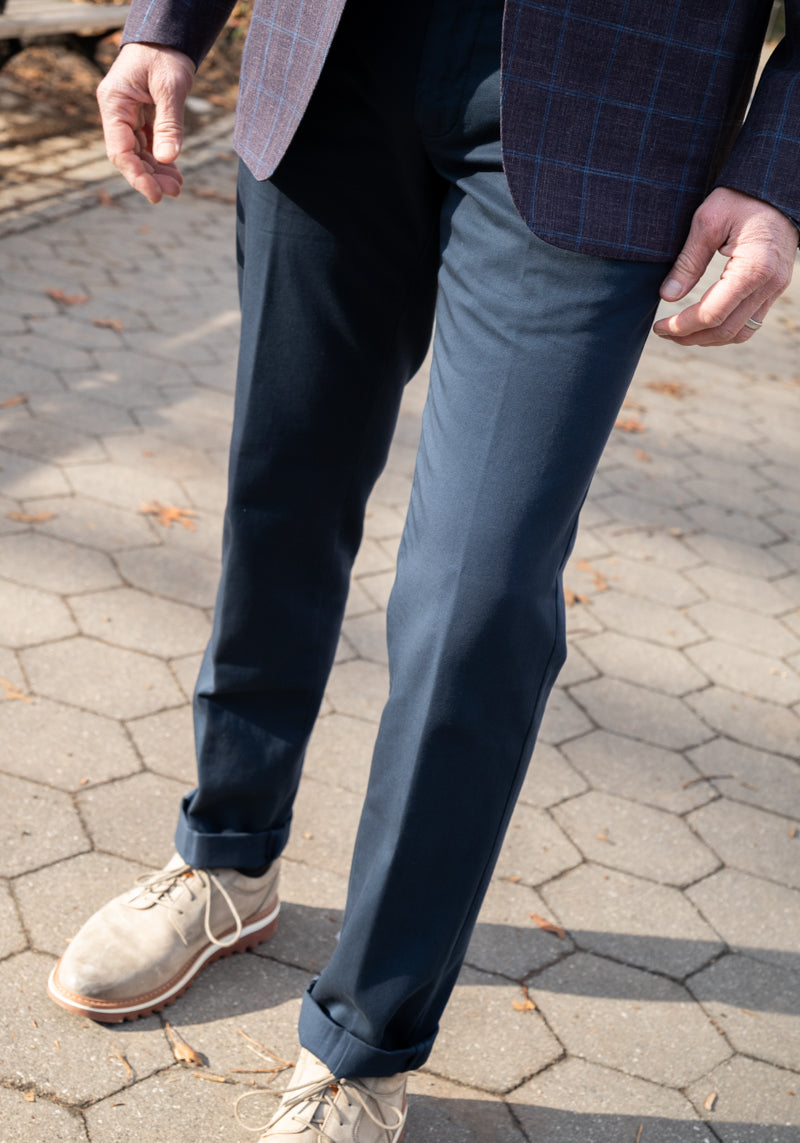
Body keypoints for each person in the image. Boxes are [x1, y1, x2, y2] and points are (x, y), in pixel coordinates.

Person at [48, 2, 798, 1140]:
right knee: (280, 495)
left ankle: (363, 1040)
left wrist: (779, 163)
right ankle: (226, 856)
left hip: (609, 98)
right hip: (331, 63)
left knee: (476, 604)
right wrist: (171, 20)